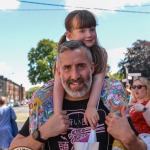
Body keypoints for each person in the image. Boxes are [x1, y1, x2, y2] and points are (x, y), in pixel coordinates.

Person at [10, 41, 146, 150]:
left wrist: (129, 139)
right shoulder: (46, 106)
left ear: (92, 68)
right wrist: (43, 132)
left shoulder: (111, 102)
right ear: (59, 72)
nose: (75, 76)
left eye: (81, 66)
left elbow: (142, 147)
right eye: (67, 68)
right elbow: (14, 147)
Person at [53, 10, 107, 129]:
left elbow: (99, 81)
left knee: (113, 87)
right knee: (42, 95)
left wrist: (91, 106)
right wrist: (57, 115)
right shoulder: (63, 55)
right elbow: (58, 86)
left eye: (92, 29)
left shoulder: (101, 53)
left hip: (93, 91)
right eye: (82, 30)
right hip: (72, 90)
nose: (89, 34)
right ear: (69, 35)